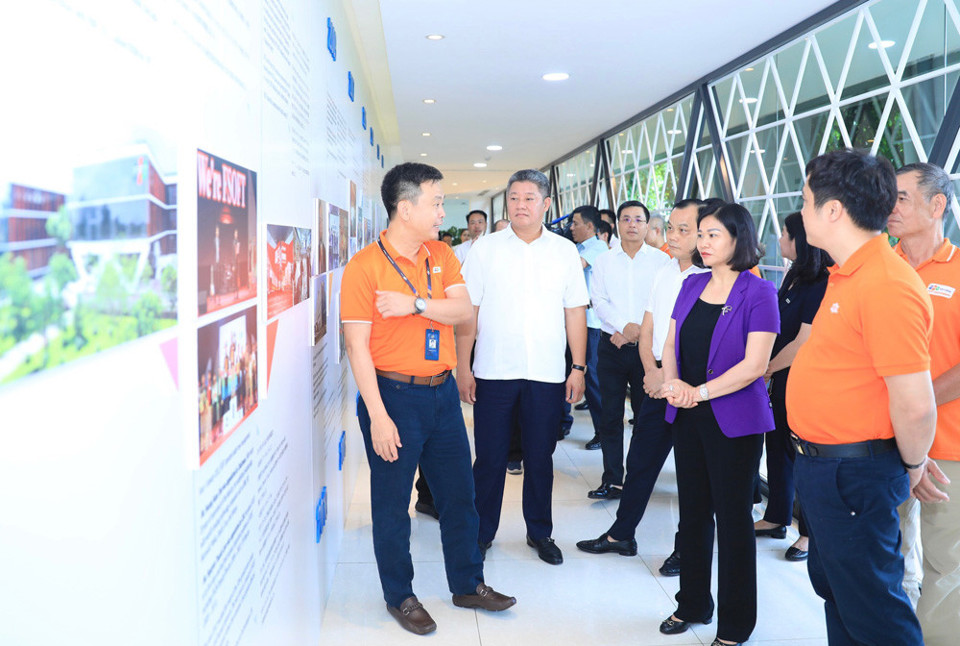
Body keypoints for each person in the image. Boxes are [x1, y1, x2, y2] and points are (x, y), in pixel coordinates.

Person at [341, 162, 515, 636]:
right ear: (405, 207)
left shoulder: (441, 254)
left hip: (441, 396)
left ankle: (467, 582)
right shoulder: (364, 267)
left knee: (460, 495)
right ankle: (400, 594)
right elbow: (357, 347)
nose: (443, 211)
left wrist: (415, 304)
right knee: (393, 504)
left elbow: (462, 311)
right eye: (435, 202)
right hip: (392, 396)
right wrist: (377, 416)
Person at [787, 149, 938, 646]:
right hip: (826, 469)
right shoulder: (849, 273)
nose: (801, 211)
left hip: (855, 474)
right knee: (842, 595)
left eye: (807, 201)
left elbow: (915, 403)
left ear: (833, 211)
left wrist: (912, 464)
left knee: (875, 611)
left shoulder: (886, 285)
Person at [657, 202, 779, 646]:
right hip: (687, 416)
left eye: (712, 235)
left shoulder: (757, 292)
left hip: (734, 422)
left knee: (732, 523)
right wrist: (673, 383)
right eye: (701, 235)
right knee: (691, 516)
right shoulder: (691, 284)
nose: (703, 243)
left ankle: (734, 626)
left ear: (737, 239)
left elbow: (755, 365)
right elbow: (670, 343)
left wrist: (698, 393)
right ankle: (692, 603)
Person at [457, 169, 588, 565]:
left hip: (547, 374)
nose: (520, 205)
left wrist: (578, 367)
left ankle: (540, 533)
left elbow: (575, 312)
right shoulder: (485, 249)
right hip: (494, 371)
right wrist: (463, 366)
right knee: (491, 458)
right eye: (514, 198)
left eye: (529, 198)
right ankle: (481, 534)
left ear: (546, 204)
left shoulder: (564, 252)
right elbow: (469, 312)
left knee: (540, 457)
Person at [577, 198, 705, 554]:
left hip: (689, 386)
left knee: (692, 472)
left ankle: (687, 550)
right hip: (652, 375)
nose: (673, 236)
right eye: (671, 229)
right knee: (640, 459)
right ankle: (622, 534)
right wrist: (652, 370)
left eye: (684, 230)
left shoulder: (706, 276)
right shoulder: (665, 271)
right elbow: (649, 324)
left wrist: (662, 372)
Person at [887, 161, 957, 645]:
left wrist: (916, 404)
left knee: (945, 564)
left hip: (947, 445)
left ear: (937, 205)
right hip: (874, 444)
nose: (890, 207)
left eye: (902, 197)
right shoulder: (875, 268)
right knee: (884, 558)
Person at [755, 212, 829, 562]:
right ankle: (776, 517)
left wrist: (767, 368)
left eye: (785, 233)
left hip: (803, 377)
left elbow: (803, 341)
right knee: (778, 447)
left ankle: (809, 534)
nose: (779, 238)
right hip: (781, 376)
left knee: (800, 455)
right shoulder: (796, 275)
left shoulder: (822, 280)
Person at [584, 200, 669, 499]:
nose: (632, 224)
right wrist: (624, 328)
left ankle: (638, 478)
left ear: (648, 225)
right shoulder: (605, 261)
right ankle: (612, 479)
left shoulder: (662, 262)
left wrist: (638, 333)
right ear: (617, 224)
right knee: (610, 416)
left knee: (645, 418)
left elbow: (665, 305)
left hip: (649, 352)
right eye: (626, 219)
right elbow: (599, 301)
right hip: (612, 348)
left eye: (638, 219)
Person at [568, 205, 609, 450]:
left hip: (592, 325)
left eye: (575, 223)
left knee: (592, 378)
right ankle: (562, 422)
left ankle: (603, 432)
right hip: (575, 321)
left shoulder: (597, 248)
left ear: (590, 227)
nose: (571, 228)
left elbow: (573, 268)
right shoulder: (576, 248)